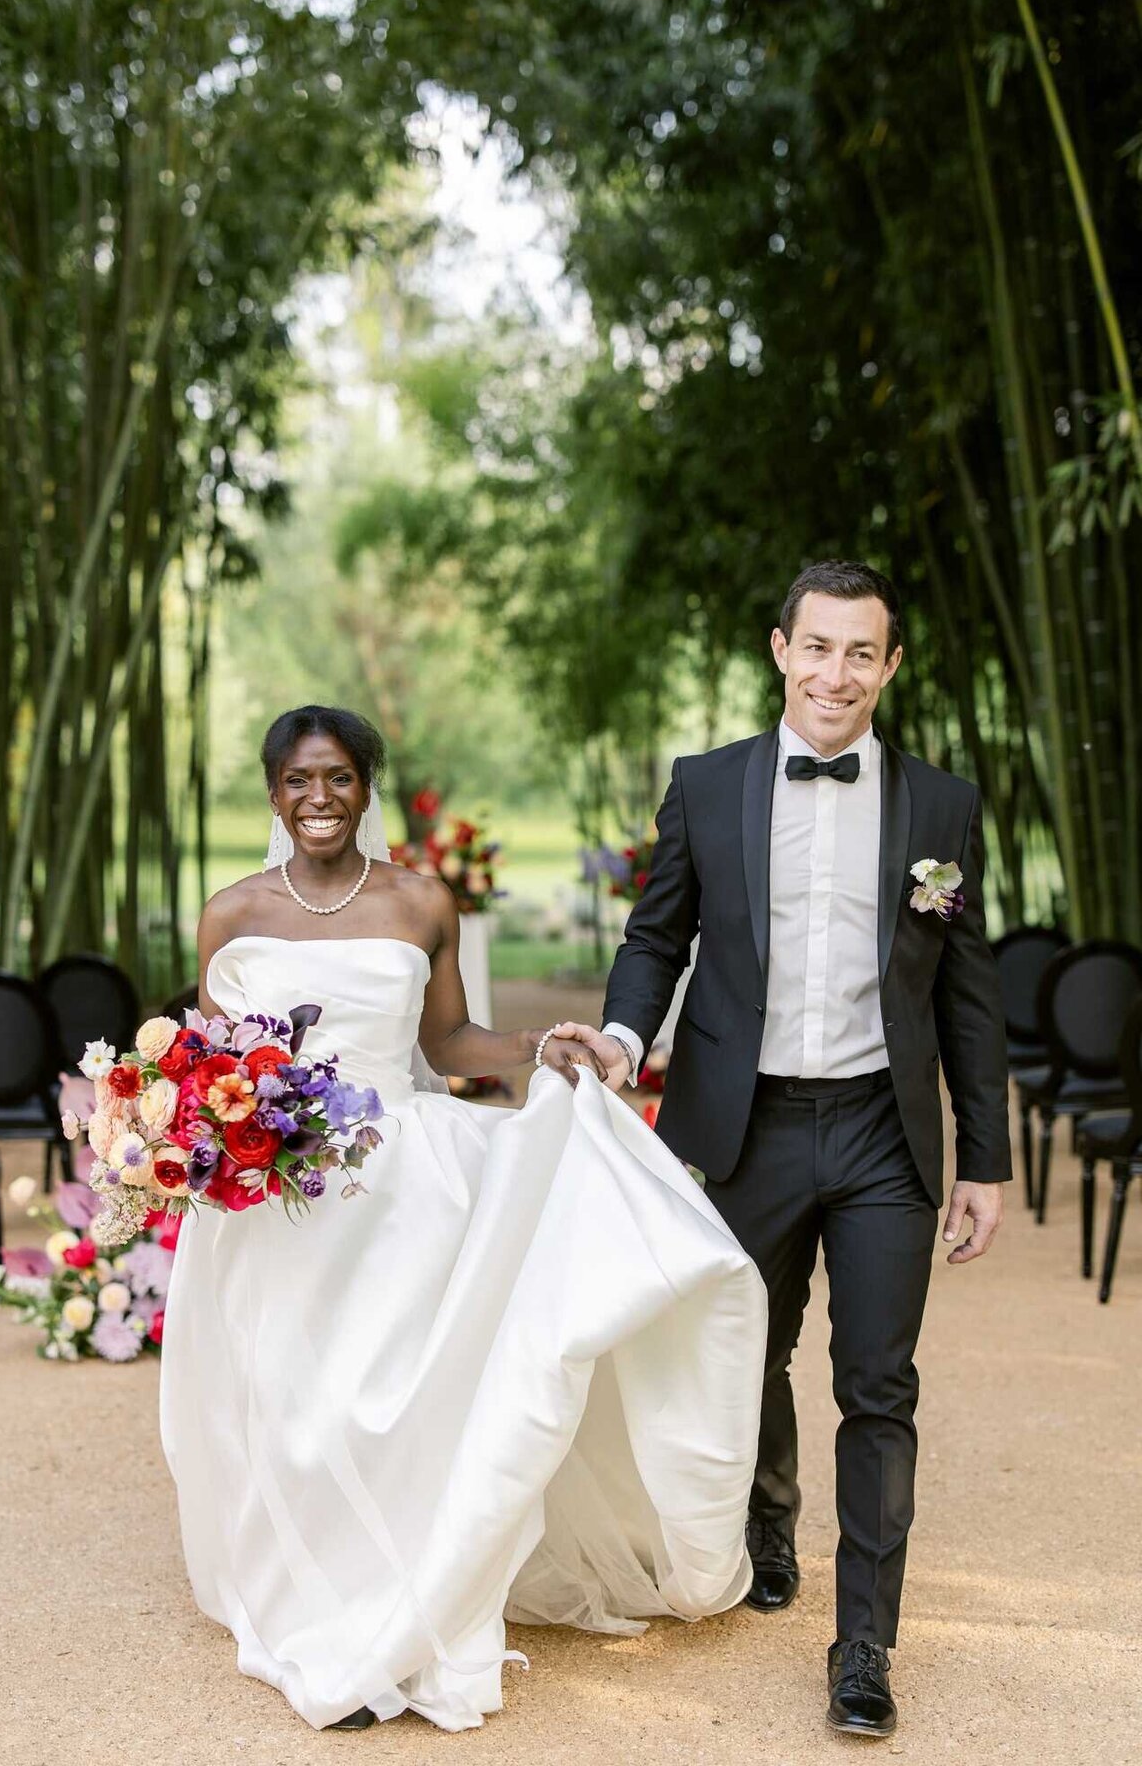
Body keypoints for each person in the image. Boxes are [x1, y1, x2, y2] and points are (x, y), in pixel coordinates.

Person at [159, 704, 767, 1734]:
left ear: (367, 788)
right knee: (293, 1404)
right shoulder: (230, 914)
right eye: (299, 779)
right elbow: (210, 1068)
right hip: (277, 1198)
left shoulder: (418, 899)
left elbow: (447, 1045)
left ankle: (401, 1601)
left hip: (398, 1186)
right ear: (273, 792)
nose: (319, 797)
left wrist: (538, 1048)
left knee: (388, 1400)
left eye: (339, 777)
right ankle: (310, 1596)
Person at [564, 561, 1011, 1738]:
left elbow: (967, 991)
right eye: (818, 646)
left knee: (879, 1381)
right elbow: (656, 938)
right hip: (743, 1122)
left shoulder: (942, 807)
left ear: (891, 665)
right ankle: (770, 1516)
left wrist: (985, 1158)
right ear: (780, 649)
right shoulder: (707, 785)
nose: (836, 673)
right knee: (743, 1351)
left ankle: (864, 1640)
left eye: (862, 652)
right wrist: (622, 1040)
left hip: (881, 1131)